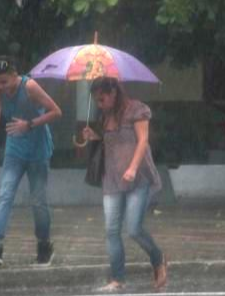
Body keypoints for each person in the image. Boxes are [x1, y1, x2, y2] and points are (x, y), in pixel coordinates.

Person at [82, 77, 167, 291]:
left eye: (102, 99)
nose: (99, 104)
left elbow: (142, 141)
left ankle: (158, 259)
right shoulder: (105, 116)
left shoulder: (136, 110)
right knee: (111, 230)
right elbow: (110, 144)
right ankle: (117, 279)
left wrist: (133, 167)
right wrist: (94, 136)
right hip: (112, 179)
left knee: (134, 228)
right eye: (96, 100)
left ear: (113, 93)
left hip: (138, 178)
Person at [0, 55, 62, 267]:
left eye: (4, 81)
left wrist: (30, 124)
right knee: (5, 194)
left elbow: (56, 112)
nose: (0, 86)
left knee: (38, 201)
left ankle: (44, 244)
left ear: (15, 75)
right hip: (15, 149)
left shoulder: (30, 87)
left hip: (37, 151)